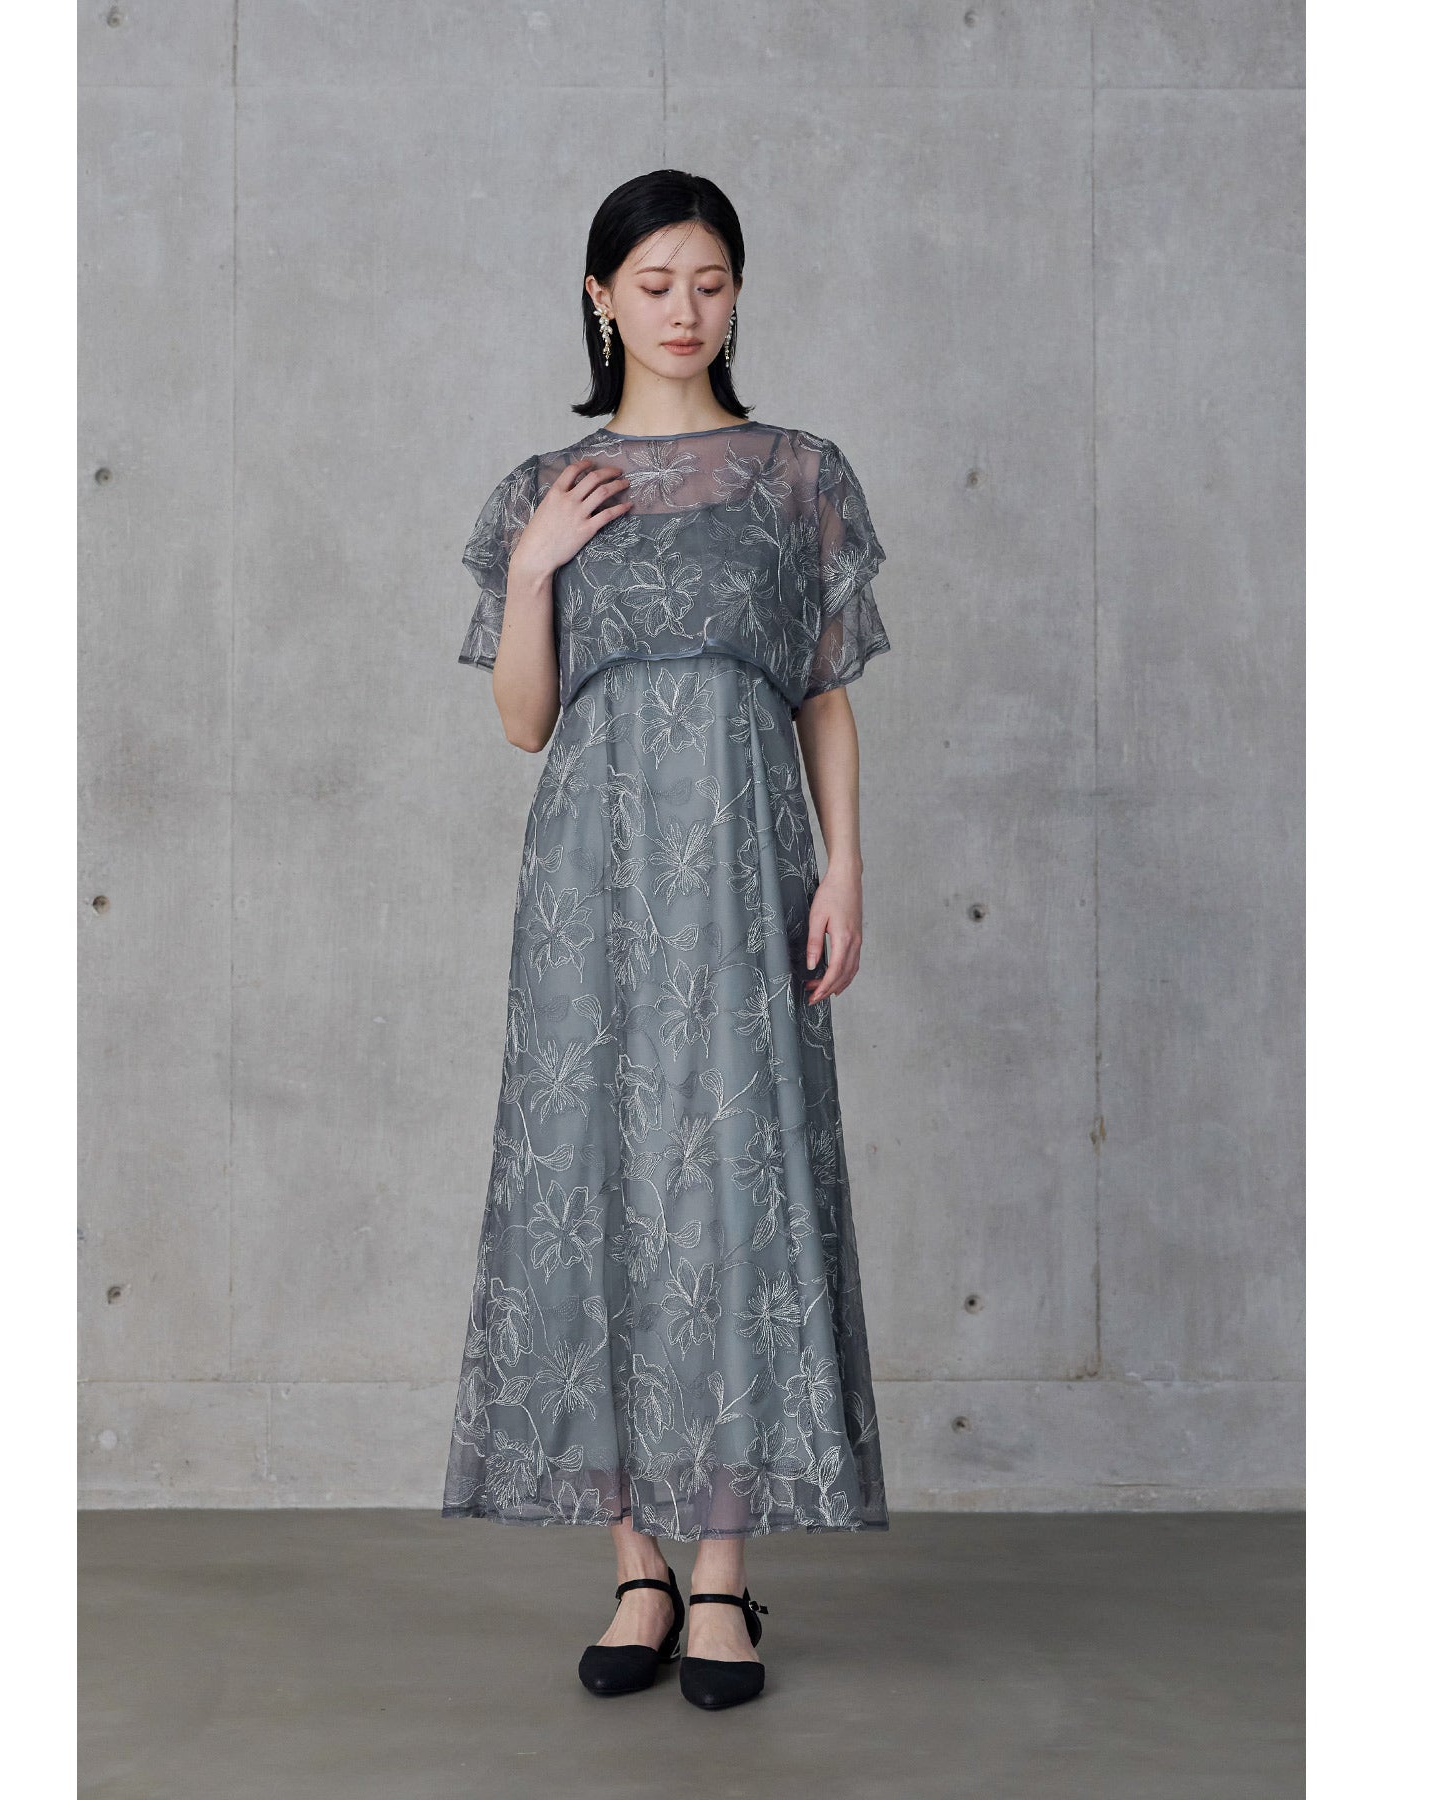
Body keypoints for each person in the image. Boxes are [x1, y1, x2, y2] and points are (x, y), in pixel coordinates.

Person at [441, 170, 892, 1711]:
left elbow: (822, 691)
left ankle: (720, 1577)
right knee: (600, 1184)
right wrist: (532, 566)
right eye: (653, 283)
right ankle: (635, 1567)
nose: (683, 309)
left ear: (738, 292)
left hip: (749, 872)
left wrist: (845, 869)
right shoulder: (544, 488)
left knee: (732, 1195)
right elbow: (524, 724)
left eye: (709, 280)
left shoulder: (797, 476)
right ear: (601, 299)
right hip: (593, 885)